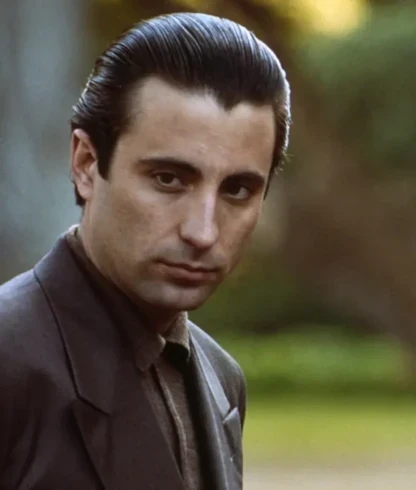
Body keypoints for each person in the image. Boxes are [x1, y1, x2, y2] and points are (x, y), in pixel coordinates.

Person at [0, 12, 290, 490]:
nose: (202, 232)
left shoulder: (221, 379)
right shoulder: (9, 364)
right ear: (87, 164)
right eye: (169, 179)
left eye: (237, 190)